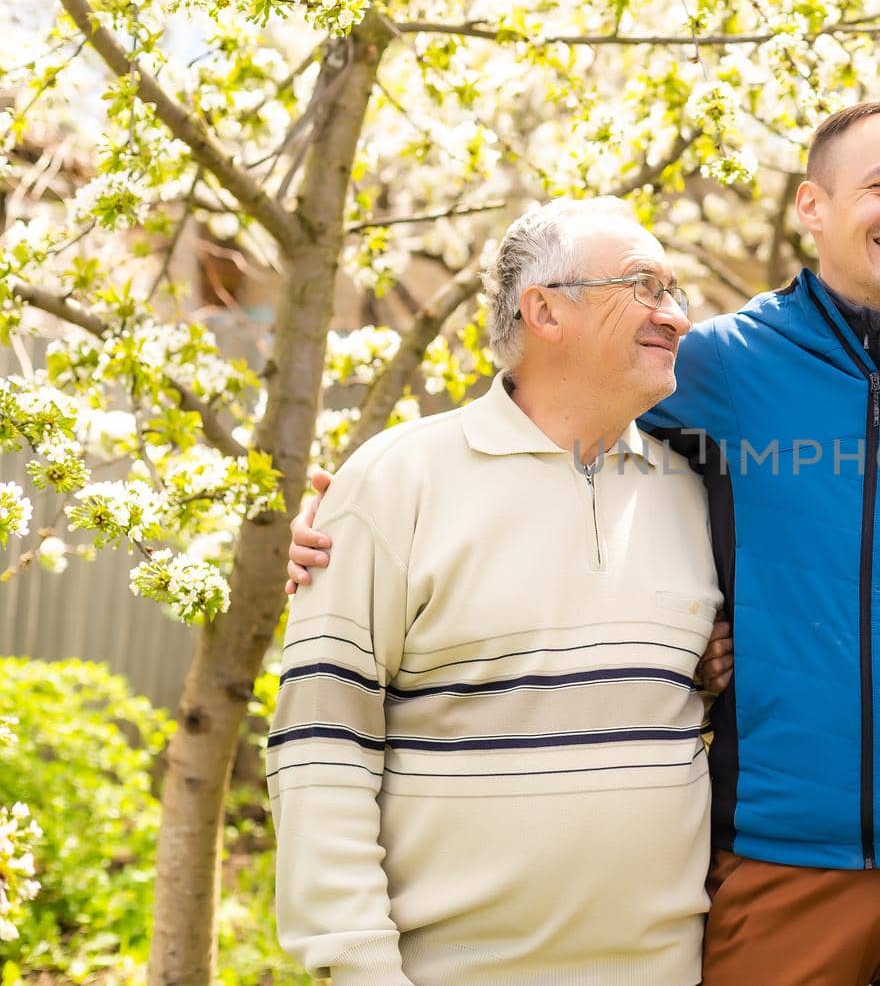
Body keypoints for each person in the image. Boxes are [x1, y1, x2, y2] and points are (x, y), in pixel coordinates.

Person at [288, 99, 880, 984]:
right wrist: (351, 514)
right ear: (811, 207)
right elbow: (543, 407)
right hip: (775, 855)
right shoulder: (717, 364)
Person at [266, 197, 722, 984]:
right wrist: (360, 966)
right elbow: (321, 748)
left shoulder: (695, 491)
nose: (676, 315)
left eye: (676, 290)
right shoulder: (391, 481)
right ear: (543, 309)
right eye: (645, 286)